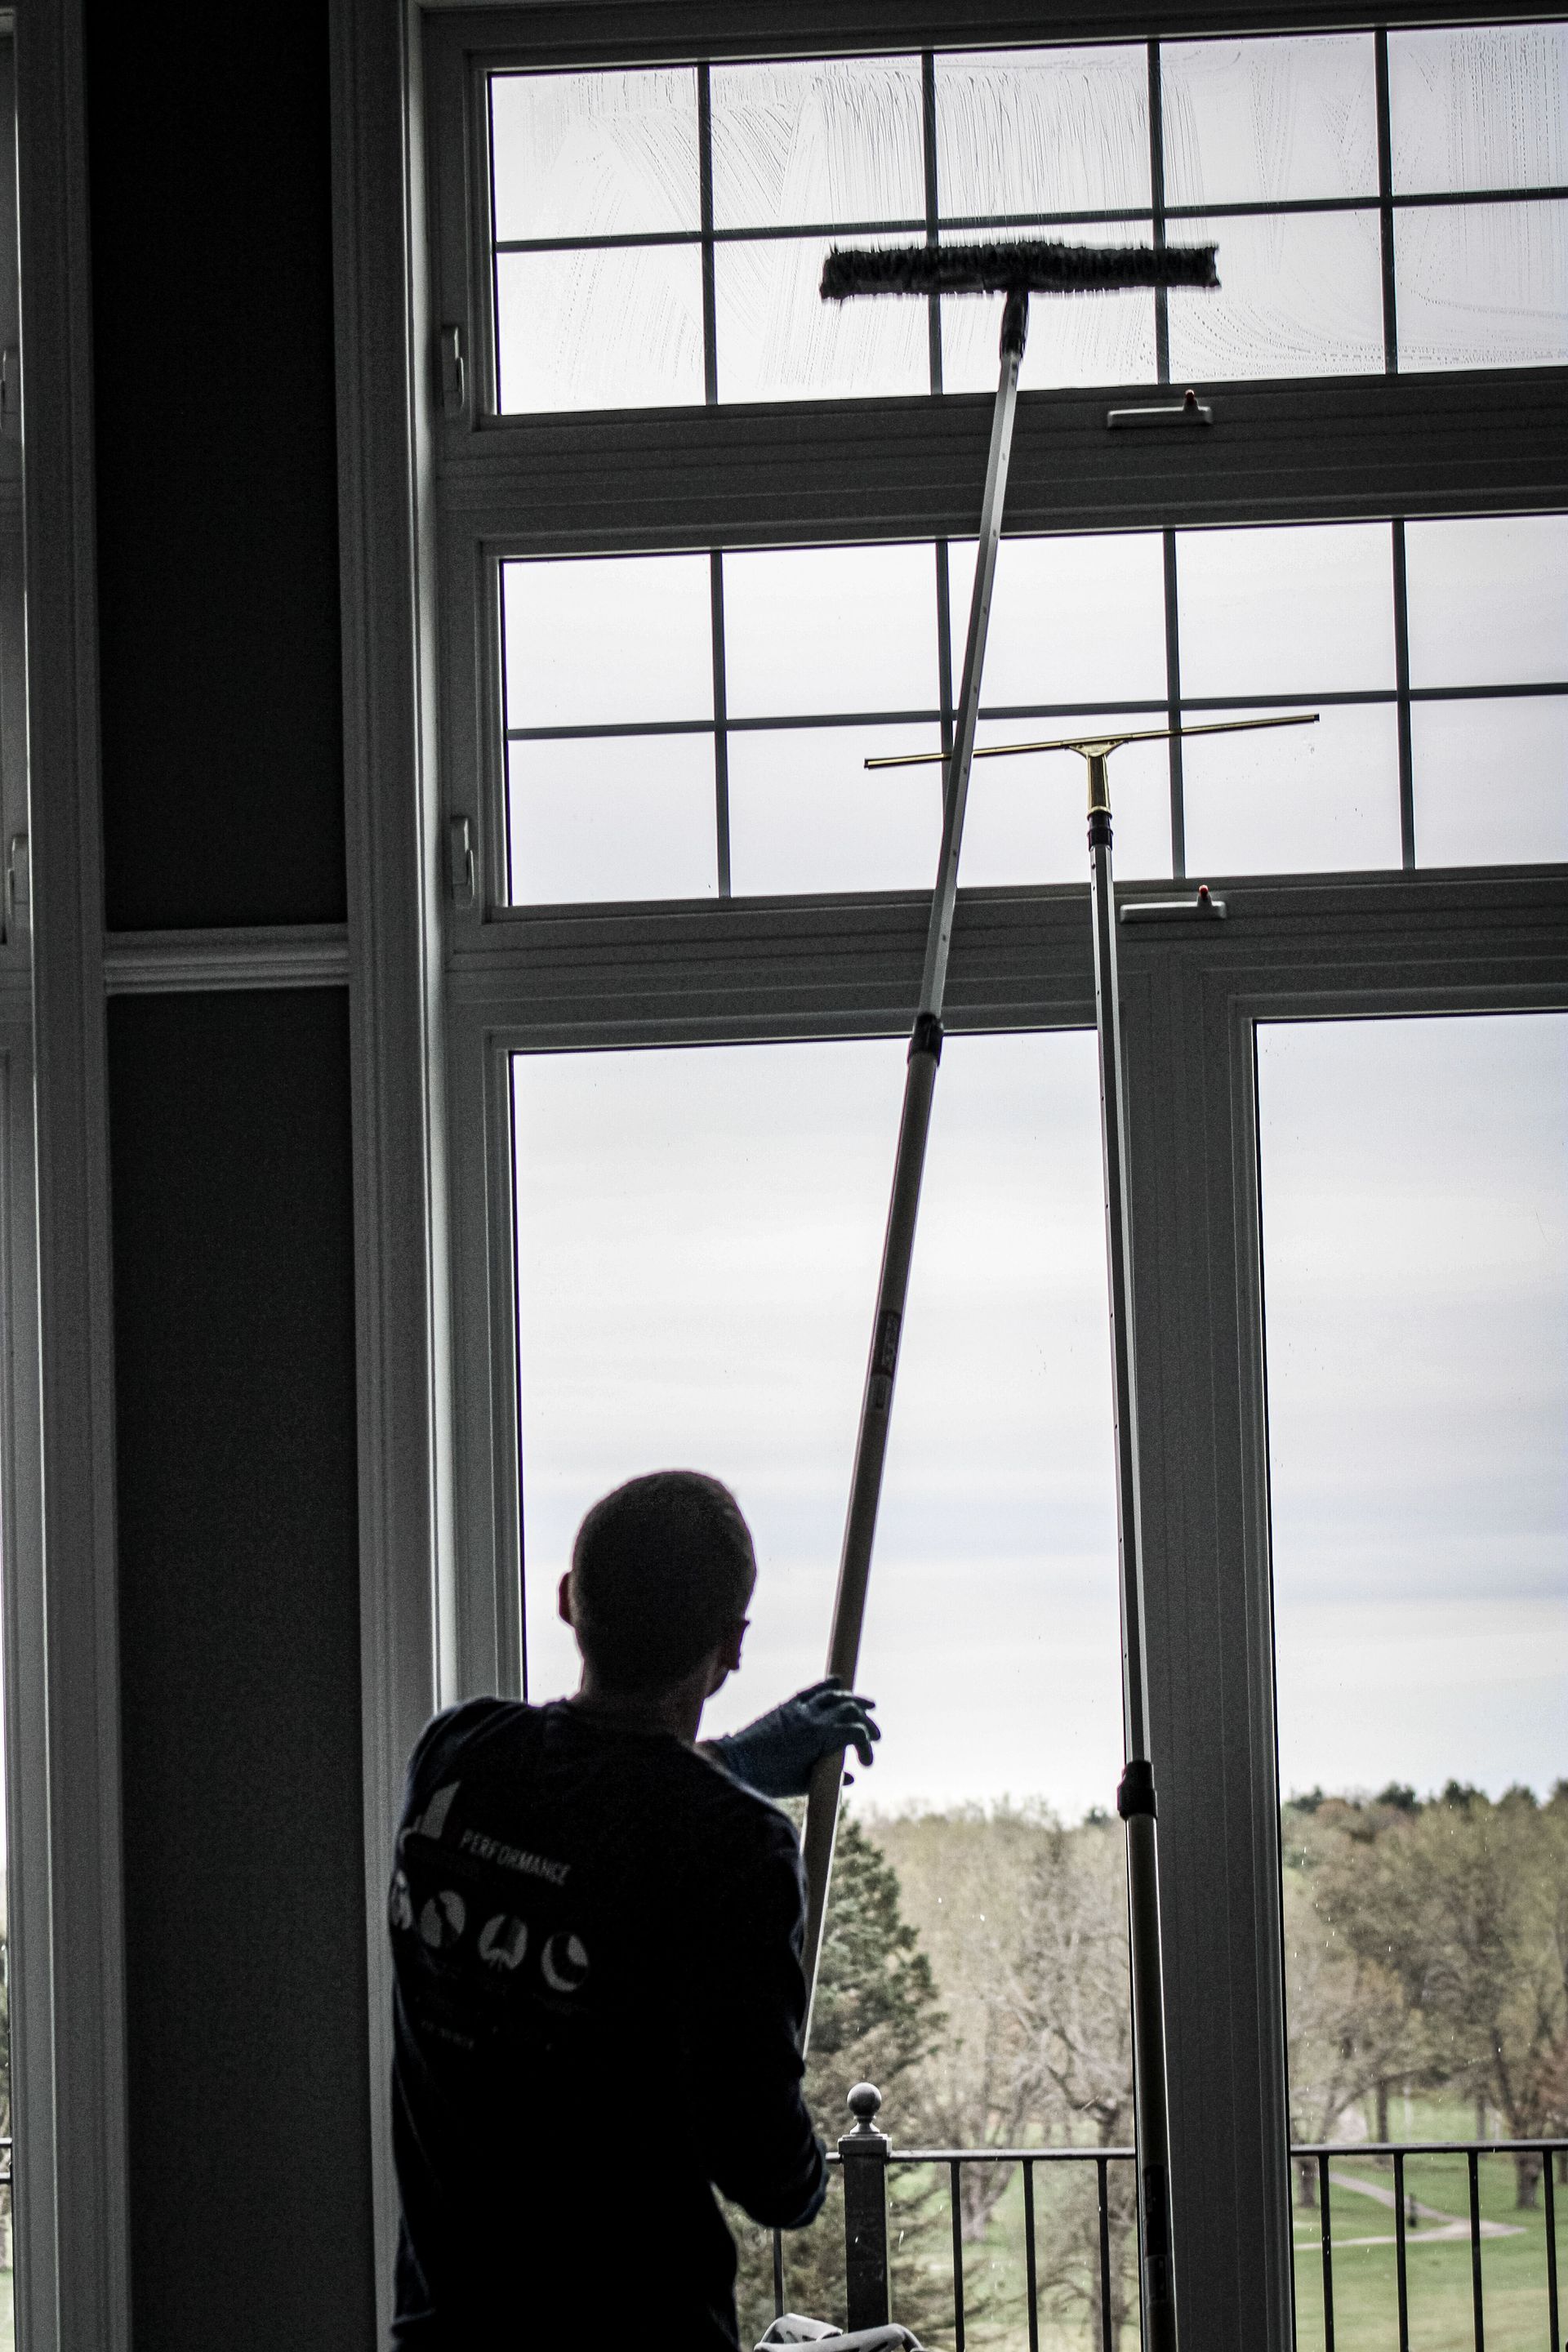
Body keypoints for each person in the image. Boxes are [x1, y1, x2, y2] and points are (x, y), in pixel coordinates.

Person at [388, 1468, 880, 2350]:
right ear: (730, 1647)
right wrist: (804, 2156)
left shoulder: (456, 1758)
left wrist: (728, 1764)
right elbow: (773, 2181)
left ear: (571, 1600)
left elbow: (597, 1818)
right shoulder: (734, 1850)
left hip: (445, 2330)